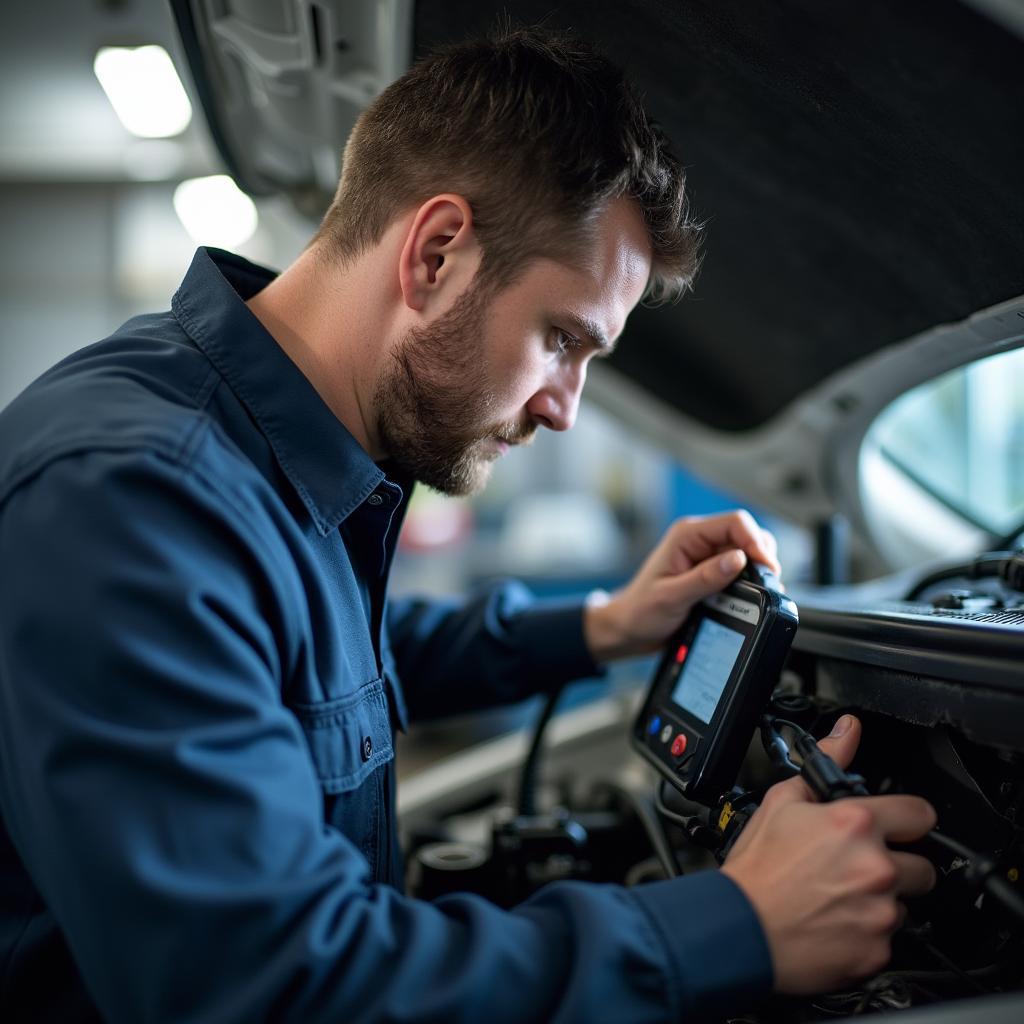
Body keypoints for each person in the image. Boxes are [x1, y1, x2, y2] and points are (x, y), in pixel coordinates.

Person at [0, 26, 936, 1024]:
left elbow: (313, 669)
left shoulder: (255, 457)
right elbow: (269, 988)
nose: (564, 406)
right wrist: (734, 923)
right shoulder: (134, 498)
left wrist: (601, 625)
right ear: (436, 251)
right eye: (561, 339)